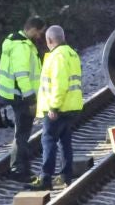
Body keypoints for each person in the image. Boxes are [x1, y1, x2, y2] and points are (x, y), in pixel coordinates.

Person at [36, 24, 85, 186]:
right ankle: (65, 176)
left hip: (58, 108)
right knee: (65, 140)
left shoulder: (57, 57)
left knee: (48, 140)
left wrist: (53, 107)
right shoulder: (71, 54)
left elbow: (60, 84)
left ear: (49, 40)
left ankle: (45, 178)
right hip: (72, 107)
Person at [0, 16, 45, 180]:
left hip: (16, 95)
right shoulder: (22, 47)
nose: (40, 37)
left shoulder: (16, 42)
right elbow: (22, 76)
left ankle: (19, 166)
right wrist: (31, 99)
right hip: (22, 97)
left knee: (22, 132)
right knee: (23, 133)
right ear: (33, 29)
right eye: (40, 32)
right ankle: (19, 169)